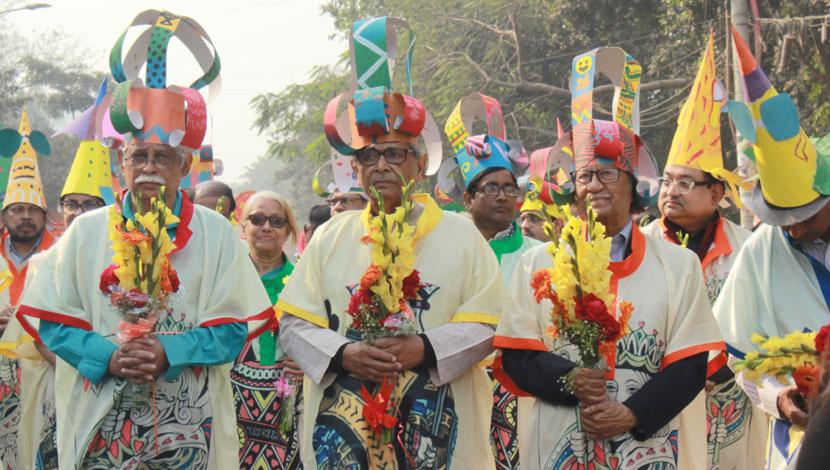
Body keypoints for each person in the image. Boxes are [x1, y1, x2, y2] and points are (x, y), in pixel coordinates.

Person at [15, 10, 274, 469]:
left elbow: (236, 327)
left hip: (188, 430)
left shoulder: (216, 233)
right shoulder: (87, 230)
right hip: (100, 421)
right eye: (139, 156)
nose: (150, 168)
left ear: (183, 164)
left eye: (163, 157)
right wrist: (107, 357)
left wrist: (168, 350)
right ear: (121, 163)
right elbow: (50, 318)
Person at [278, 16, 504, 470]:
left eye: (395, 153)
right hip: (346, 426)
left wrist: (424, 349)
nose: (381, 166)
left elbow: (491, 326)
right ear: (355, 170)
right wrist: (345, 353)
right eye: (368, 156)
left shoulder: (462, 235)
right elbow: (294, 326)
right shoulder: (329, 236)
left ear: (420, 165)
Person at [493, 46, 724, 470]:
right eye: (584, 176)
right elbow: (517, 356)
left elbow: (690, 364)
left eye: (607, 174)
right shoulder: (537, 263)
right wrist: (570, 381)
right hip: (559, 439)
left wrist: (632, 413)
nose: (593, 185)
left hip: (647, 445)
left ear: (633, 184)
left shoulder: (677, 264)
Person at [640, 33, 765, 470]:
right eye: (667, 181)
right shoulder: (640, 248)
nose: (671, 191)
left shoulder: (750, 250)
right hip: (659, 398)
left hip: (732, 402)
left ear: (716, 193)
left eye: (685, 183)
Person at [713, 26, 830, 470]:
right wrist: (777, 398)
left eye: (806, 219)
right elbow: (737, 356)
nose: (794, 231)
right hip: (807, 442)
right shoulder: (761, 250)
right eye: (784, 221)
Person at [0, 134, 118, 470]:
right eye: (71, 203)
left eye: (90, 204)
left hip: (116, 393)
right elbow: (42, 340)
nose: (78, 213)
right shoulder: (44, 263)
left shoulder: (131, 260)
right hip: (57, 392)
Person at [443, 92, 539, 470]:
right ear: (467, 198)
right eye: (491, 188)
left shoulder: (539, 254)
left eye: (510, 188)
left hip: (521, 389)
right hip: (458, 384)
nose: (504, 196)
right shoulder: (444, 251)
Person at [232, 190, 304, 470]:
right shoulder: (226, 278)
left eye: (277, 221)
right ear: (244, 227)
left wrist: (306, 361)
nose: (266, 227)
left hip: (286, 399)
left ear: (288, 231)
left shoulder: (303, 279)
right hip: (230, 396)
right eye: (257, 219)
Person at [0, 107, 56, 469]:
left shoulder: (63, 257)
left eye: (32, 210)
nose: (25, 217)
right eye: (17, 209)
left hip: (47, 373)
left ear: (45, 216)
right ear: (4, 216)